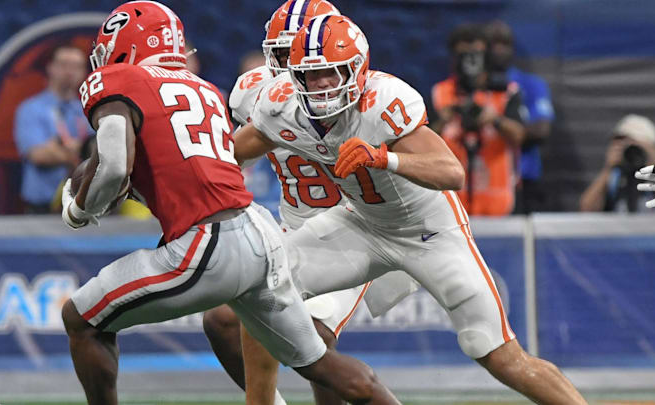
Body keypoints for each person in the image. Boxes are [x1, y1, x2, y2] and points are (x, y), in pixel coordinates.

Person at [233, 14, 587, 404]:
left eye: (331, 74)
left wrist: (384, 159)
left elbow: (451, 172)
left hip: (428, 231)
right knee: (262, 284)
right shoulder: (281, 107)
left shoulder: (383, 100)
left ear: (356, 69)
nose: (319, 86)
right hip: (361, 223)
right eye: (308, 75)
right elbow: (230, 153)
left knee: (497, 353)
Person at [58, 3, 399, 405]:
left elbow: (115, 166)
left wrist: (79, 209)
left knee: (81, 319)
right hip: (258, 230)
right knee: (317, 362)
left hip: (206, 241)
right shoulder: (203, 88)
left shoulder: (118, 79)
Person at [203, 3, 377, 405]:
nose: (290, 64)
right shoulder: (254, 91)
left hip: (354, 229)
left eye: (297, 52)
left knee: (311, 338)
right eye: (281, 53)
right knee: (222, 321)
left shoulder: (367, 94)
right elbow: (230, 159)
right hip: (292, 224)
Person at [431, 23, 526, 216]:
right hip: (453, 206)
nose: (470, 62)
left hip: (499, 204)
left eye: (476, 54)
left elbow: (519, 136)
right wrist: (446, 119)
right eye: (463, 55)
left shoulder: (506, 92)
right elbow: (422, 142)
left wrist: (495, 120)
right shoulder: (441, 93)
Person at [485, 20, 555, 214]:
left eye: (504, 44)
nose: (498, 50)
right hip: (481, 181)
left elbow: (541, 130)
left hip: (523, 182)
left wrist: (497, 122)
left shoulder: (530, 85)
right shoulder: (471, 89)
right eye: (493, 44)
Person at [14, 44, 92, 213]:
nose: (69, 72)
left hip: (84, 205)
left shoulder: (88, 111)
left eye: (76, 66)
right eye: (64, 65)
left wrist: (58, 150)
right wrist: (82, 151)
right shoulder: (30, 109)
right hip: (43, 208)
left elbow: (103, 152)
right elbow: (38, 155)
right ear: (50, 67)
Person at [580, 114, 655, 212]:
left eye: (634, 144)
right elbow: (587, 210)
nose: (629, 150)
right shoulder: (614, 177)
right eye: (620, 142)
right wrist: (608, 168)